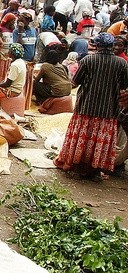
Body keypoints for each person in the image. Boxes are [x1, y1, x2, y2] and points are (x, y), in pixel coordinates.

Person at [55, 33, 128, 181]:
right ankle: (95, 171)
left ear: (97, 45)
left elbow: (75, 82)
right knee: (99, 142)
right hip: (108, 110)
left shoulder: (88, 60)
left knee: (84, 138)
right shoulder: (121, 64)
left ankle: (78, 168)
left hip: (86, 107)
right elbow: (125, 86)